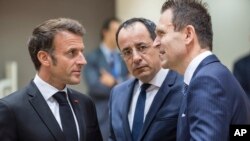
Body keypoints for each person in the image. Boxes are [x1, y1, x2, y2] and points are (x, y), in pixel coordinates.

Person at [153, 0, 250, 140]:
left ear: (188, 34)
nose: (155, 43)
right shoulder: (211, 75)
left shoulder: (207, 80)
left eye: (161, 33)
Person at [0, 18, 103, 141]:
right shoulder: (11, 109)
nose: (83, 61)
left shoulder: (86, 104)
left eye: (81, 52)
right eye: (72, 52)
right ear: (44, 58)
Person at [109, 17, 183, 141]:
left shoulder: (184, 87)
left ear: (158, 45)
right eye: (127, 52)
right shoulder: (117, 93)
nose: (136, 58)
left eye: (142, 47)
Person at [83, 17, 129, 141]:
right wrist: (123, 83)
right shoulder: (92, 57)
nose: (118, 35)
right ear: (105, 32)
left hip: (125, 116)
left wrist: (114, 82)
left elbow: (134, 81)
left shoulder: (124, 57)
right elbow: (95, 87)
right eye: (115, 30)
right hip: (102, 117)